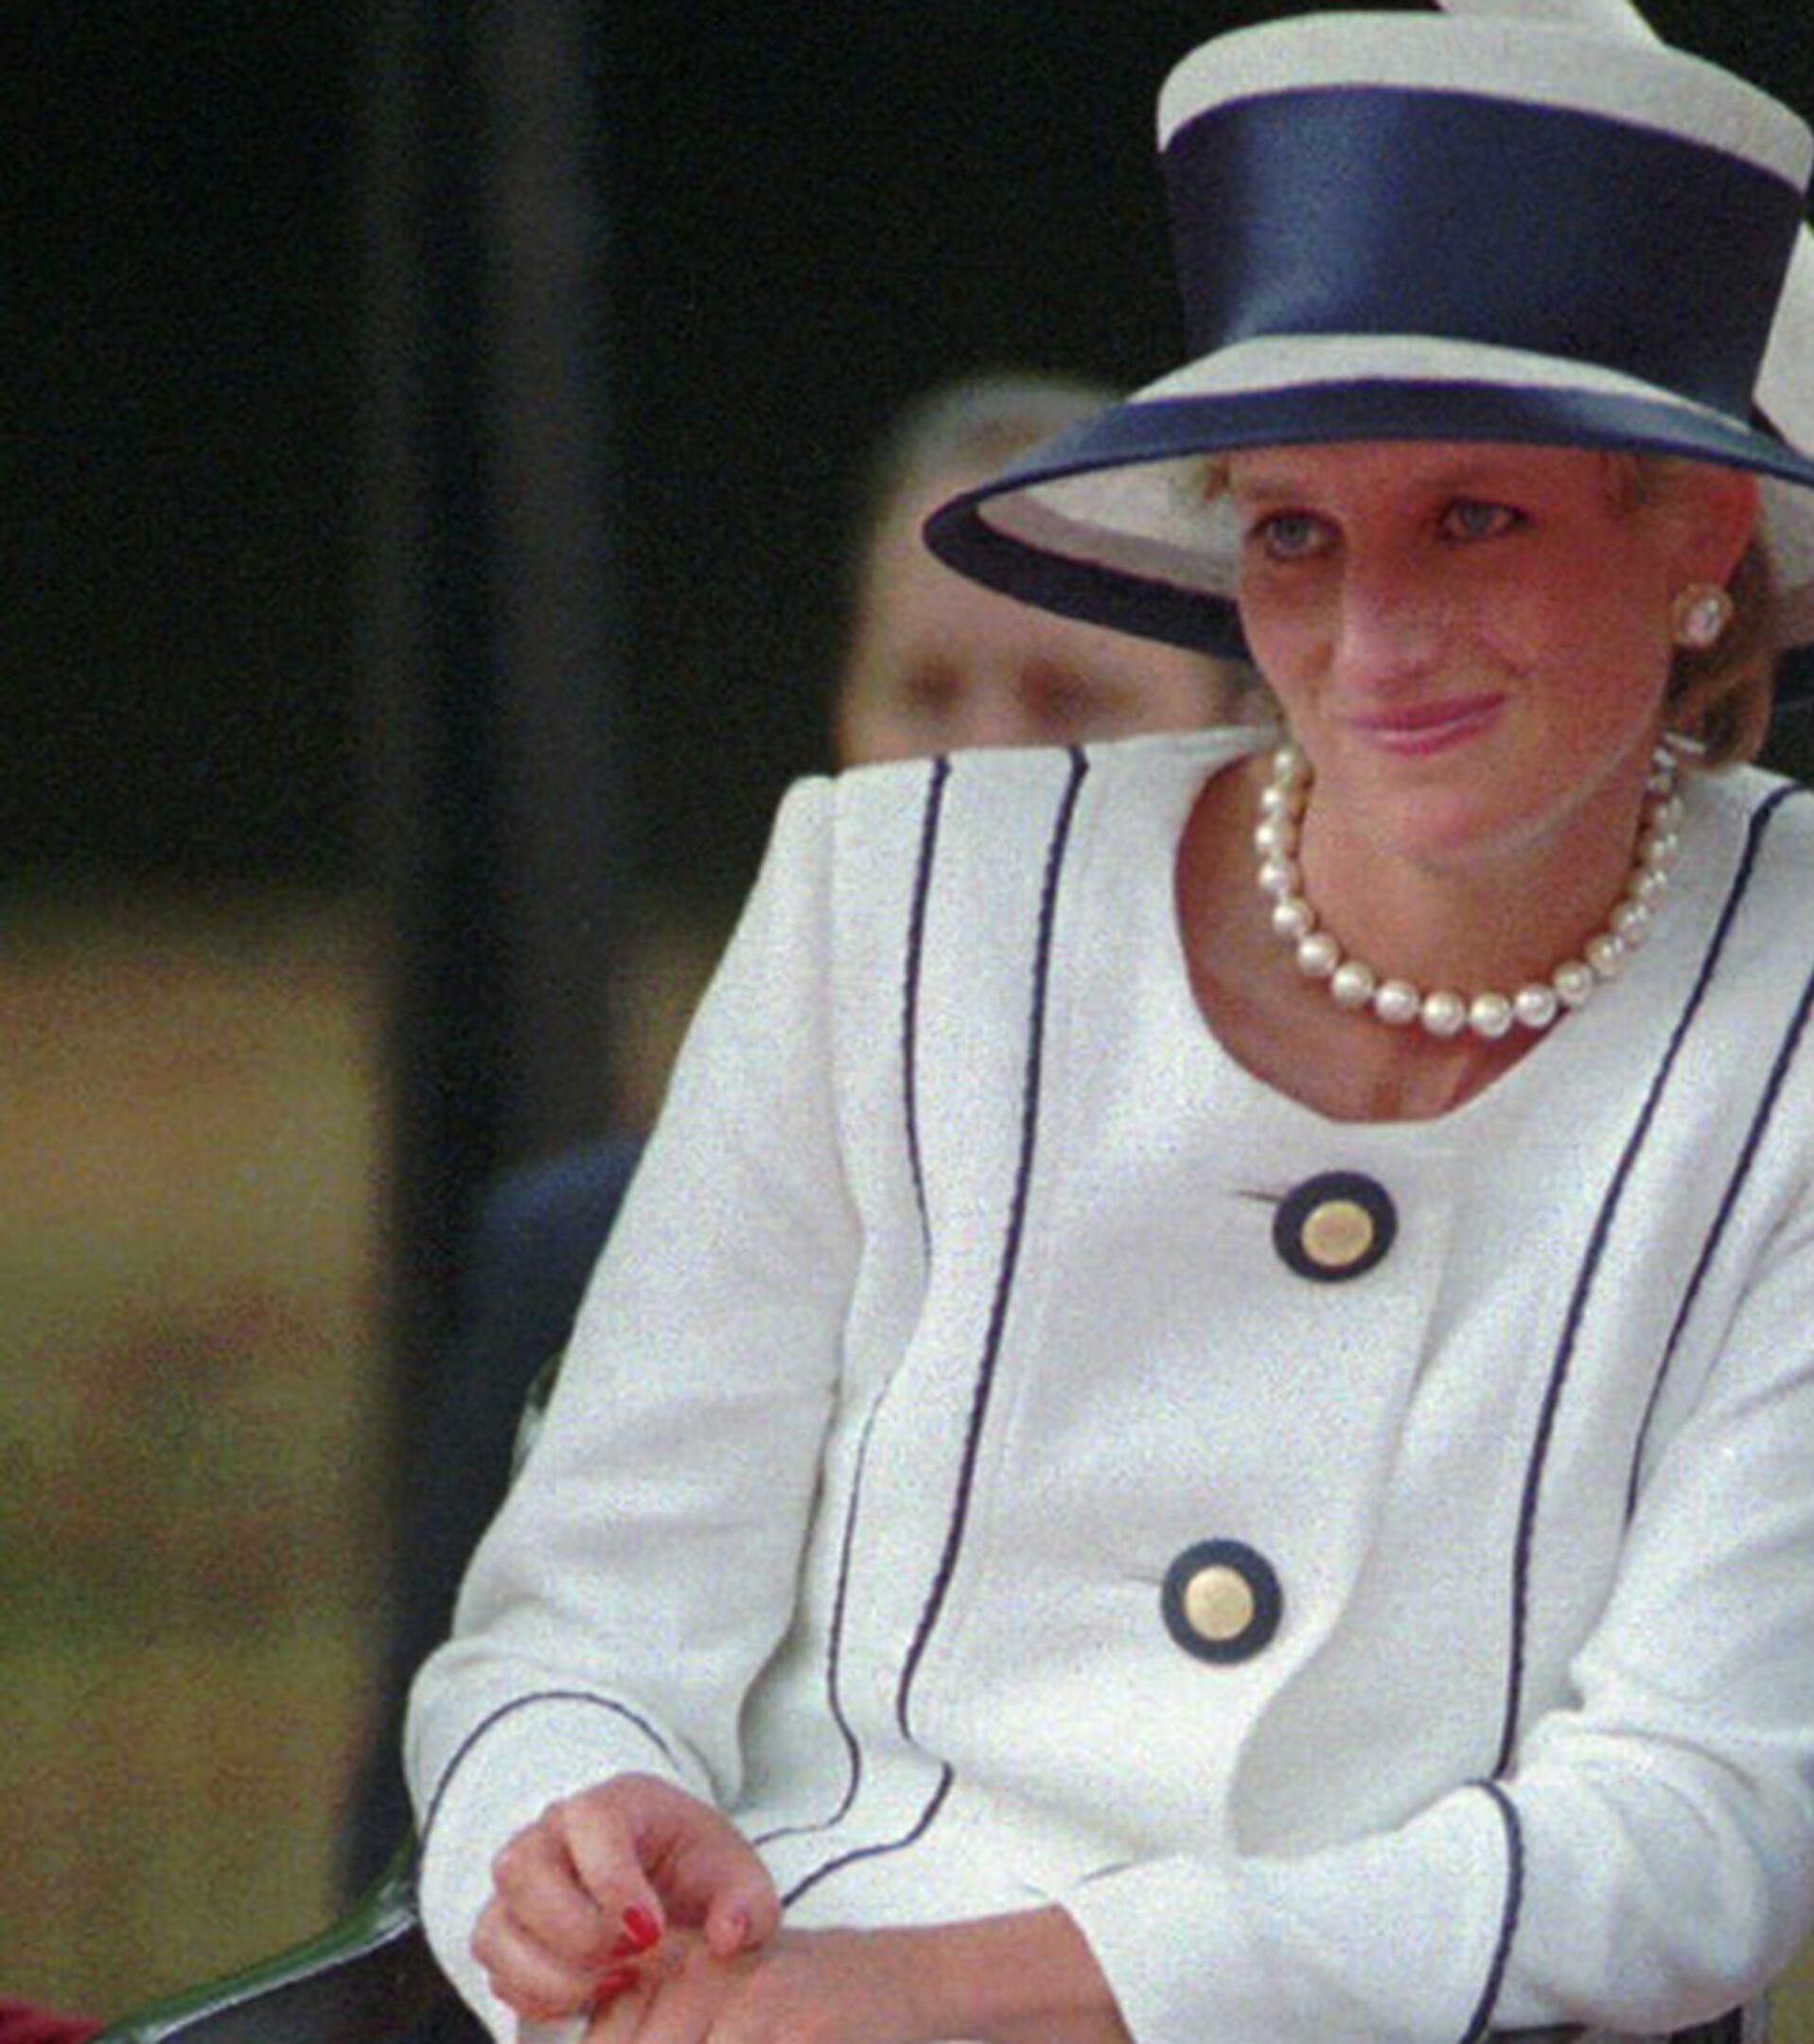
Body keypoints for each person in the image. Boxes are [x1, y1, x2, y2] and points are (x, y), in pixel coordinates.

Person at [402, 16, 1814, 2044]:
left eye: (1476, 519)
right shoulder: (892, 885)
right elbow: (573, 1620)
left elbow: (1691, 1833)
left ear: (1698, 533)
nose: (1368, 641)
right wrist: (575, 1825)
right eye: (1295, 532)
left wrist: (960, 1999)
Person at [335, 372, 1259, 1894]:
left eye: (1067, 698)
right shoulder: (585, 1242)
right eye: (925, 689)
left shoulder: (1314, 1222)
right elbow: (418, 1870)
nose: (972, 757)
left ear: (1233, 730)